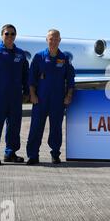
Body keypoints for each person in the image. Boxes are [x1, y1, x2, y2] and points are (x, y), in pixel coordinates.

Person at [25, 29, 75, 165]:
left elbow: (70, 80)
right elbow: (31, 78)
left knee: (56, 129)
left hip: (57, 100)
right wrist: (32, 94)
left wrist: (68, 96)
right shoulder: (39, 57)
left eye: (56, 38)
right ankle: (33, 155)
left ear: (60, 40)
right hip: (40, 99)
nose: (53, 41)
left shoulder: (64, 59)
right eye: (51, 38)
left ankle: (55, 154)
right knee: (36, 128)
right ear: (47, 40)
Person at [0, 24, 29, 166]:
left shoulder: (20, 54)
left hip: (15, 98)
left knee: (14, 127)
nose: (10, 36)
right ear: (2, 35)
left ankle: (11, 153)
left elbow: (25, 75)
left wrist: (26, 92)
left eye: (12, 34)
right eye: (7, 33)